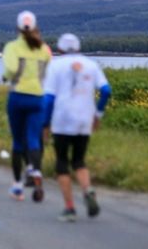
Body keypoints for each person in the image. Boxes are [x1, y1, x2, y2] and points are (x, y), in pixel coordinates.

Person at [43, 33, 112, 222]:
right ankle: (87, 190)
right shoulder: (91, 65)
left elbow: (48, 99)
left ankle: (70, 208)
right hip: (84, 119)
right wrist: (98, 115)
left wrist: (45, 123)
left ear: (59, 49)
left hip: (62, 120)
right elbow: (106, 91)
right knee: (79, 161)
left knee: (62, 163)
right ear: (79, 48)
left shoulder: (55, 66)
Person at [3, 10, 52, 203]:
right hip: (38, 97)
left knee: (17, 141)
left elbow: (11, 69)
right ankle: (35, 170)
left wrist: (7, 77)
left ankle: (17, 186)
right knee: (33, 138)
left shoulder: (13, 47)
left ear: (18, 27)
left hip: (18, 97)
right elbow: (49, 71)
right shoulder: (44, 49)